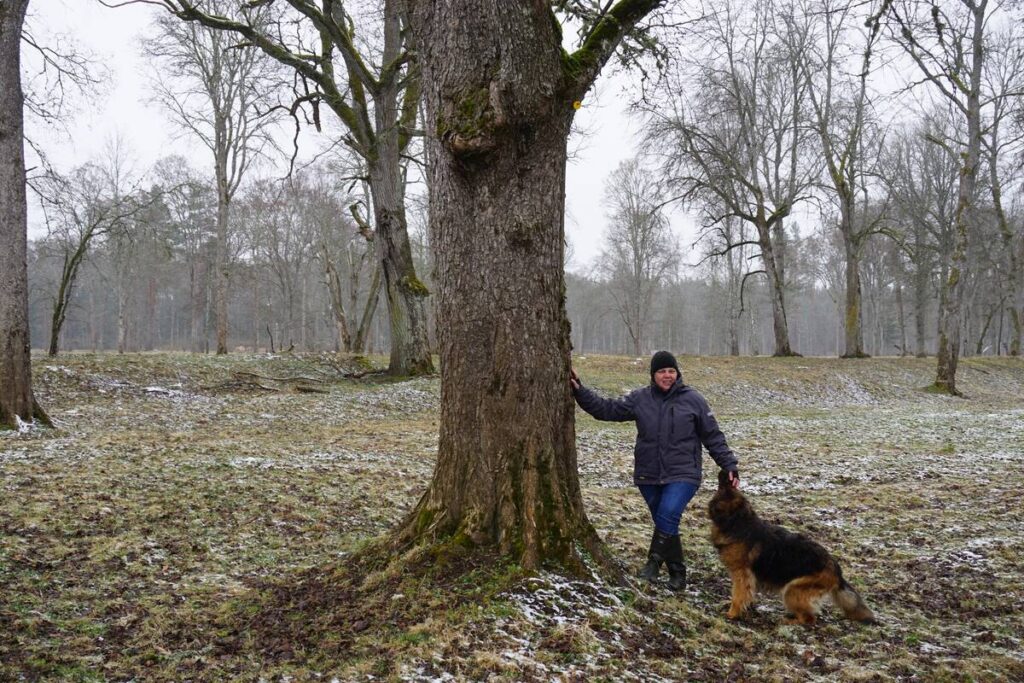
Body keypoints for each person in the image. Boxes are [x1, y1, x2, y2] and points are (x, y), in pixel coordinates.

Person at [570, 350, 739, 590]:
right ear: (653, 375)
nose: (667, 375)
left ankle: (653, 563)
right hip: (649, 474)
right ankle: (678, 575)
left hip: (683, 473)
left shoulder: (694, 400)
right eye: (662, 371)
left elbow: (712, 436)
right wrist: (579, 390)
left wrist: (729, 464)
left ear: (678, 373)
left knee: (668, 514)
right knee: (664, 523)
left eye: (671, 371)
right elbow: (606, 410)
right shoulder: (640, 399)